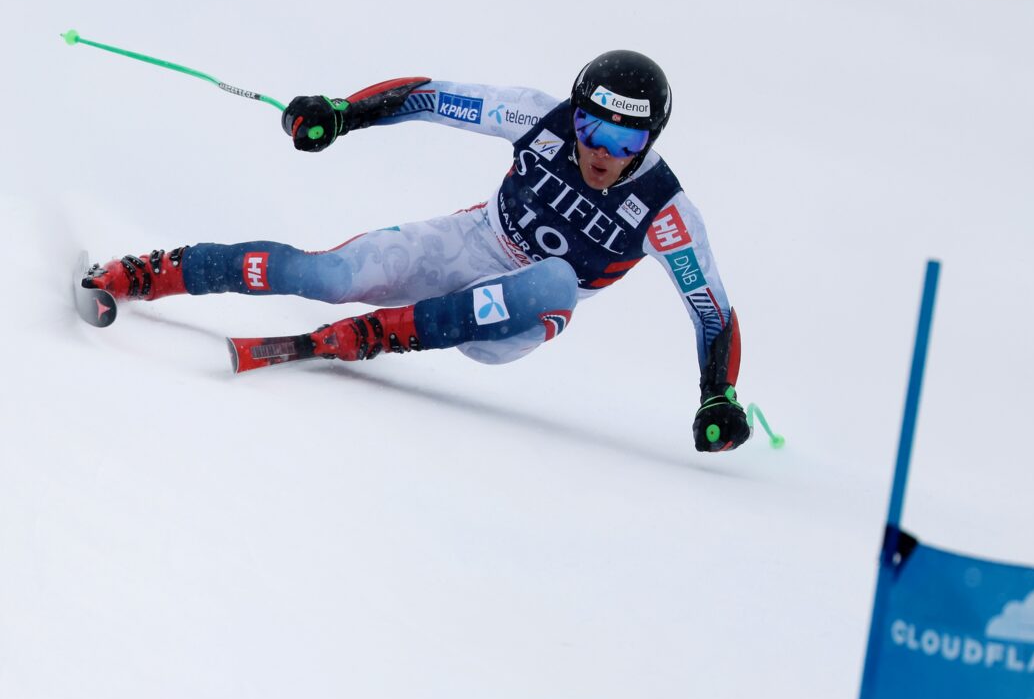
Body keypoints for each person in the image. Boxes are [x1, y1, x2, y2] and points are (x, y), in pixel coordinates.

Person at [83, 51, 750, 452]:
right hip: (470, 243)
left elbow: (712, 313)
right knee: (328, 273)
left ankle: (388, 333)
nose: (601, 151)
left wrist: (716, 396)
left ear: (650, 141)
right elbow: (429, 98)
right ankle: (156, 273)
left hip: (517, 319)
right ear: (573, 112)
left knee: (556, 281)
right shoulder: (535, 116)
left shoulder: (666, 214)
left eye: (624, 141)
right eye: (590, 126)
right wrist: (343, 113)